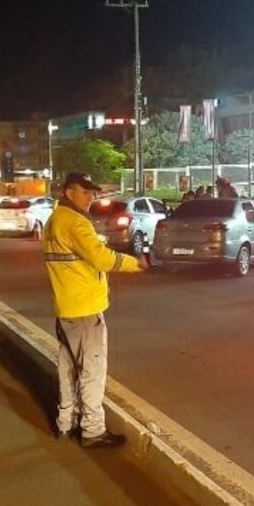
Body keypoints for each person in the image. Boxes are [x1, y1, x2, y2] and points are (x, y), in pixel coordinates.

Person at [44, 171, 148, 448]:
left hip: (66, 307)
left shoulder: (54, 220)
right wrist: (135, 263)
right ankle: (92, 430)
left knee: (68, 369)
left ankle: (65, 423)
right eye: (85, 192)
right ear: (68, 192)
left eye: (92, 193)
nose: (91, 198)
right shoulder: (76, 223)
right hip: (86, 309)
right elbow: (101, 258)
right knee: (92, 370)